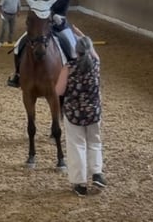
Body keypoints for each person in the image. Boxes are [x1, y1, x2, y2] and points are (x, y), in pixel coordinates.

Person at [55, 34, 107, 197]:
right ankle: (97, 174)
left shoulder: (68, 67)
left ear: (75, 51)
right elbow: (93, 52)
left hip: (74, 113)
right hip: (93, 112)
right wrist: (82, 35)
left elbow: (59, 91)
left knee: (76, 146)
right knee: (95, 142)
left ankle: (80, 183)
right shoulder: (96, 63)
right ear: (90, 49)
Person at [7, 0, 74, 88]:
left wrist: (58, 18)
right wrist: (52, 15)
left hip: (60, 25)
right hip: (43, 24)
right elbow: (42, 6)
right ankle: (17, 74)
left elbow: (64, 11)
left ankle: (73, 75)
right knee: (18, 45)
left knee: (73, 46)